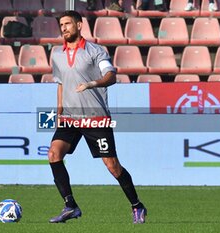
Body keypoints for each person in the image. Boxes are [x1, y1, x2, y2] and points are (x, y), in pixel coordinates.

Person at [48, 10, 147, 224]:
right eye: (61, 25)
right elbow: (61, 83)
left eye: (68, 24)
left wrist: (93, 83)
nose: (64, 28)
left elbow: (111, 76)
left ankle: (137, 205)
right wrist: (59, 111)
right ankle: (70, 206)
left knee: (112, 165)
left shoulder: (95, 51)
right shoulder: (57, 54)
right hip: (70, 118)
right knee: (54, 154)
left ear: (79, 25)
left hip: (95, 117)